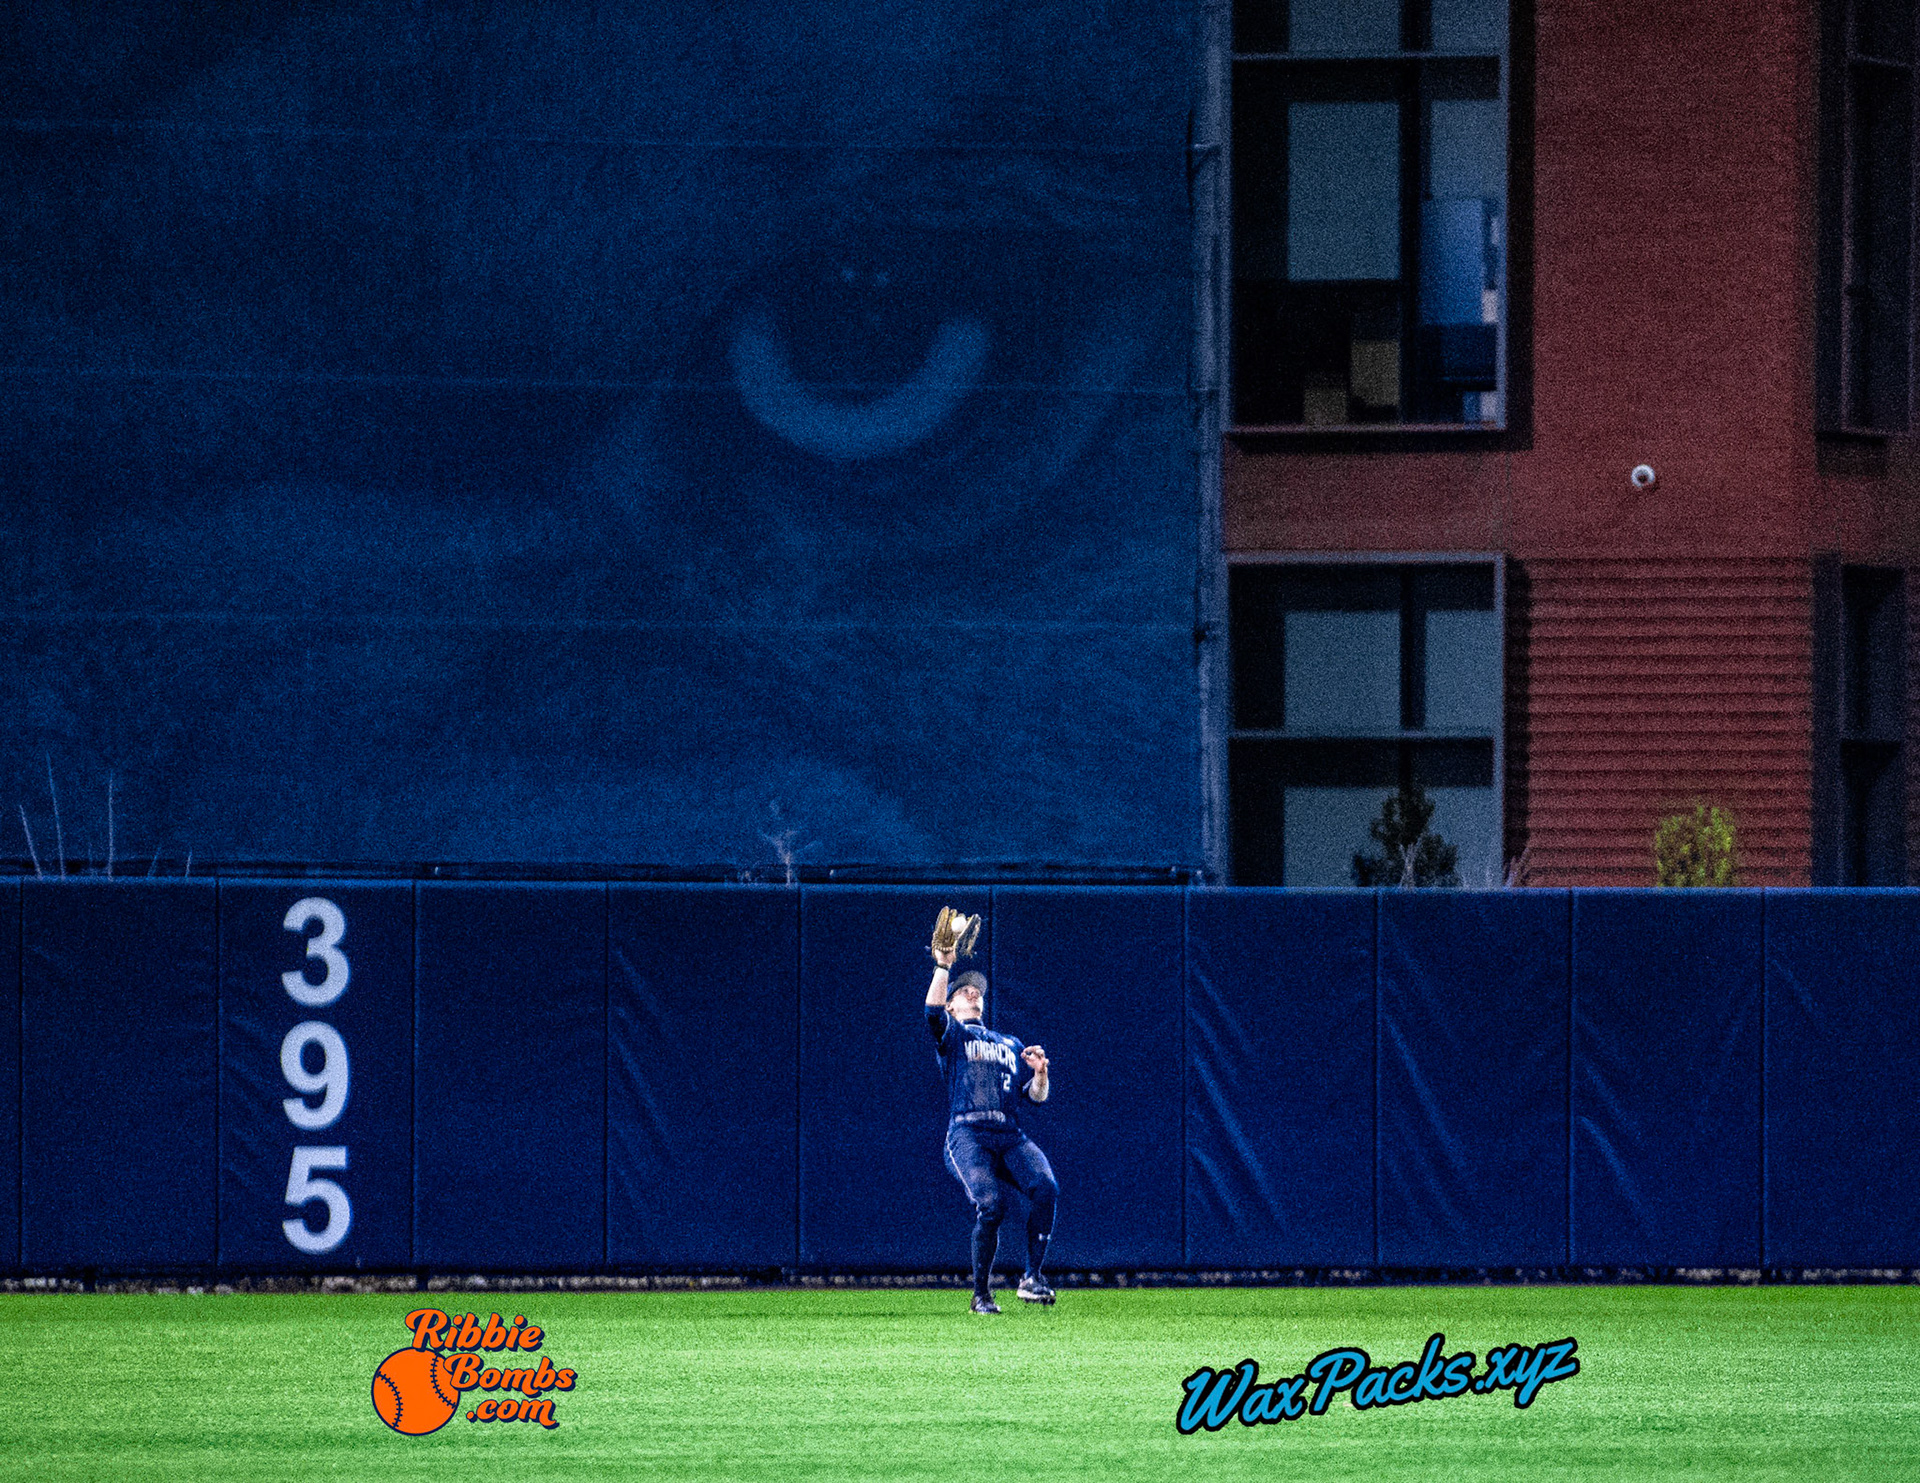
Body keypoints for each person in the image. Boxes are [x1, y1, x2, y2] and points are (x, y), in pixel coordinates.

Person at [925, 942, 1057, 1314]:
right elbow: (931, 1012)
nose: (973, 992)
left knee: (1046, 1187)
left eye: (977, 990)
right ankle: (980, 1294)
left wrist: (1040, 1073)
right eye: (964, 990)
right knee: (991, 1205)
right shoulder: (954, 1034)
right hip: (967, 1134)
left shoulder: (1009, 1043)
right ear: (953, 1005)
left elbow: (1035, 1096)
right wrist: (943, 966)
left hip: (1008, 1134)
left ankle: (1031, 1277)